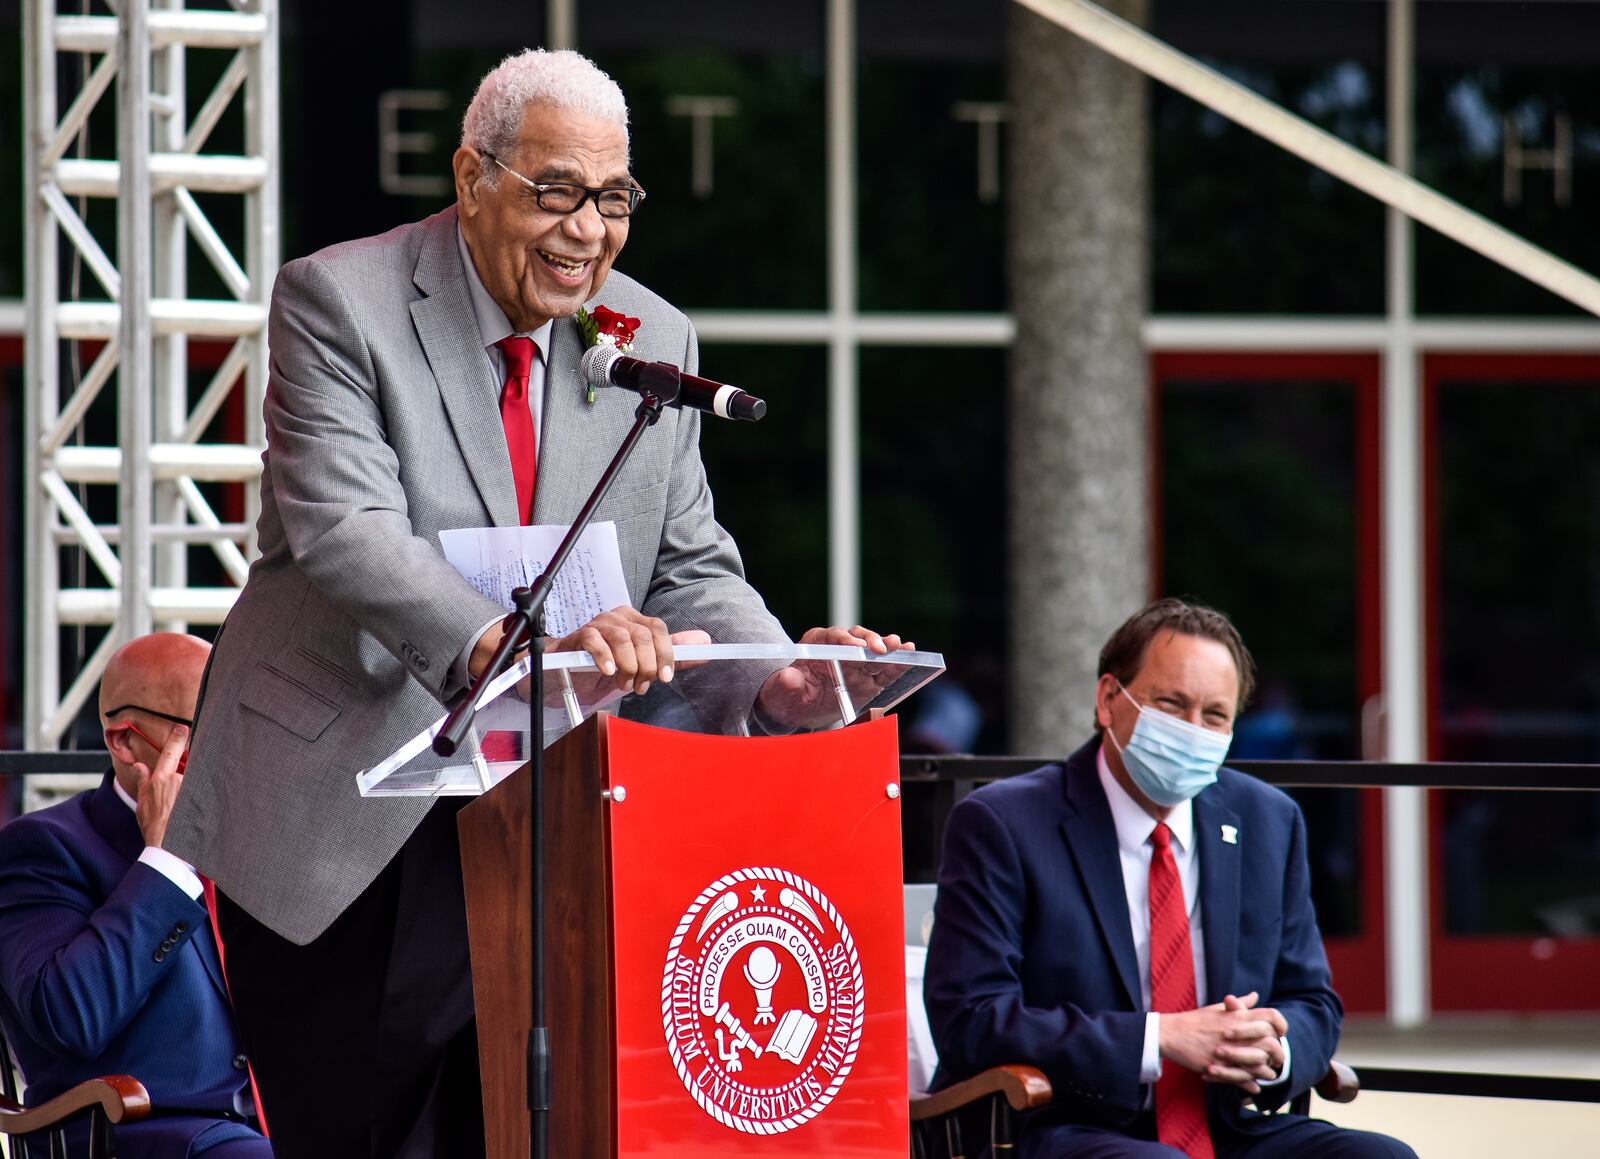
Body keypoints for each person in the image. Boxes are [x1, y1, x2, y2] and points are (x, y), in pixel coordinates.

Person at [163, 47, 905, 1159]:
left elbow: (689, 560)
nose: (586, 230)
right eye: (555, 191)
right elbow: (346, 532)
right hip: (343, 808)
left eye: (613, 199)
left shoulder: (651, 337)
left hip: (550, 818)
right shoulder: (338, 300)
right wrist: (525, 647)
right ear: (472, 178)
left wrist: (776, 674)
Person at [923, 599, 1414, 1159]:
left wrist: (1272, 1049)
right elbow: (971, 1018)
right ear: (1109, 699)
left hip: (1226, 1121)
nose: (1193, 731)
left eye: (1214, 716)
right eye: (1171, 704)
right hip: (1059, 1124)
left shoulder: (1267, 820)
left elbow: (1312, 1000)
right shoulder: (1003, 823)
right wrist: (1160, 1039)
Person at [0, 634, 269, 1159]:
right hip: (143, 1135)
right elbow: (69, 1016)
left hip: (275, 1127)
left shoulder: (254, 843)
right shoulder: (42, 848)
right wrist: (164, 863)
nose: (239, 745)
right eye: (213, 724)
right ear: (126, 742)